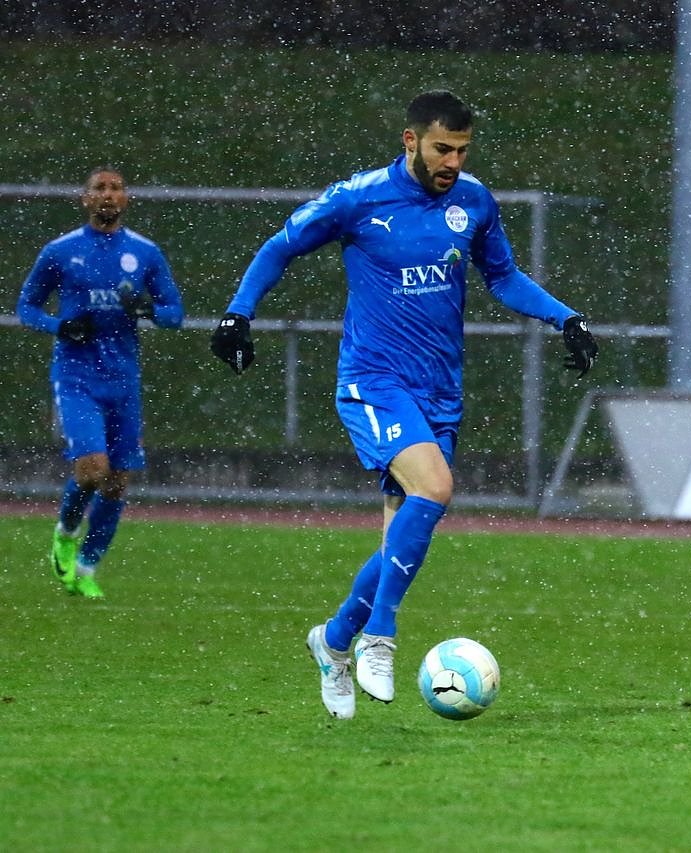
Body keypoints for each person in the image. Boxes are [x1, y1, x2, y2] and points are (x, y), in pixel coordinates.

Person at [210, 90, 598, 719]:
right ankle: (379, 638)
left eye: (463, 150)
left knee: (402, 538)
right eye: (443, 148)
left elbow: (502, 276)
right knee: (436, 487)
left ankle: (333, 640)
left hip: (439, 391)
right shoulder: (359, 198)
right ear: (410, 141)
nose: (454, 162)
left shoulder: (473, 201)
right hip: (374, 381)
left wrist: (566, 318)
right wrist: (238, 313)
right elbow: (281, 245)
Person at [16, 166, 185, 599]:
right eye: (99, 188)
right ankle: (65, 531)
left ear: (126, 199)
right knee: (92, 470)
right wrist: (60, 326)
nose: (108, 194)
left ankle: (87, 568)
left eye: (116, 188)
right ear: (85, 198)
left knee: (117, 482)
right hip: (76, 376)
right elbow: (27, 306)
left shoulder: (145, 253)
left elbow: (175, 313)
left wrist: (148, 310)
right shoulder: (60, 251)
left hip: (123, 380)